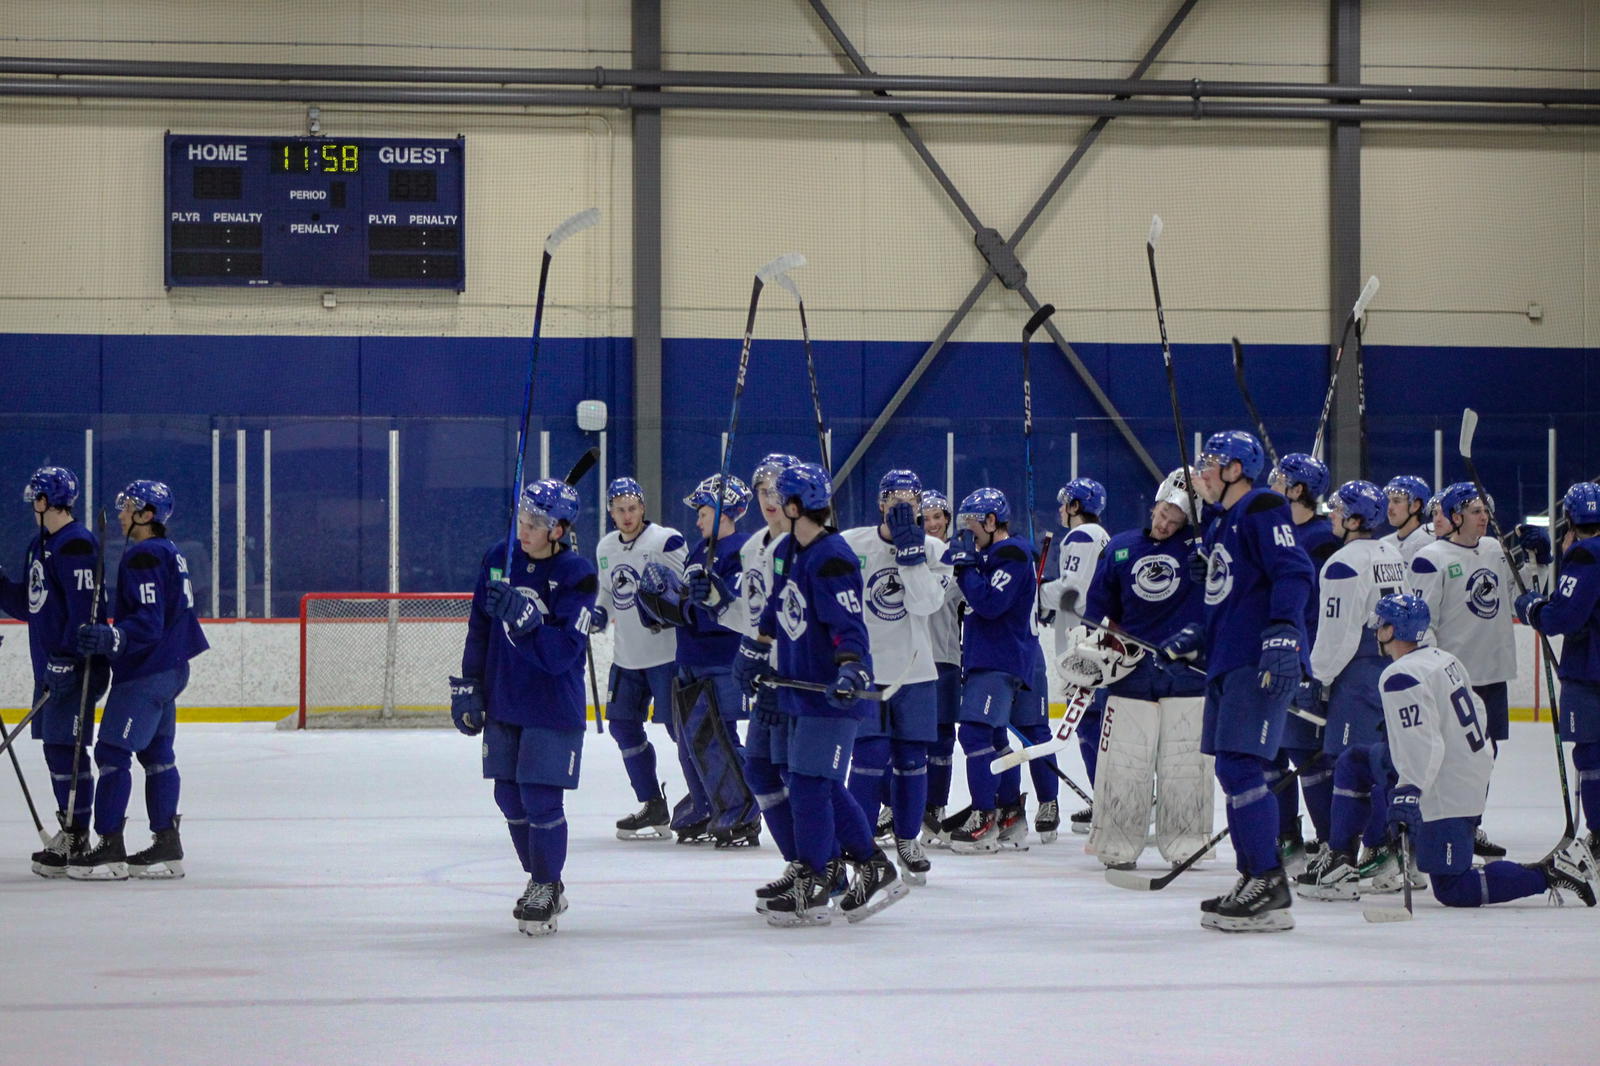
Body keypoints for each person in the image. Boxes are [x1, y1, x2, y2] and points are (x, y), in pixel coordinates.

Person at [1297, 594, 1597, 907]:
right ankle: (1341, 865)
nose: (1377, 631)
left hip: (1445, 789)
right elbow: (1477, 715)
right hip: (1462, 773)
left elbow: (1423, 742)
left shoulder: (1399, 677)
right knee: (1355, 762)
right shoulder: (1444, 659)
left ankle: (1551, 873)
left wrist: (1408, 790)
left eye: (1382, 625)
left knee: (1454, 888)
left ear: (1393, 631)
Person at [733, 461, 907, 926]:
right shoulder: (789, 549)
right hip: (796, 689)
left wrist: (852, 671)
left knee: (810, 785)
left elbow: (849, 627)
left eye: (780, 500)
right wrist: (756, 649)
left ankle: (818, 875)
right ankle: (867, 866)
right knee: (810, 780)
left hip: (831, 695)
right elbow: (776, 607)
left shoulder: (832, 557)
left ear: (794, 506)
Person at [1162, 430, 1313, 932]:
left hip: (1258, 658)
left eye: (1211, 463)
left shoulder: (1262, 505)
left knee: (1243, 766)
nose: (1201, 472)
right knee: (1231, 769)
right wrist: (1196, 634)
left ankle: (1268, 881)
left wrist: (1285, 631)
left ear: (1235, 469)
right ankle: (1254, 876)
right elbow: (1229, 597)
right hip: (1229, 660)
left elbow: (1293, 572)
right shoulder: (1223, 524)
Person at [451, 478, 596, 934]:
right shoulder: (500, 558)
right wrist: (470, 683)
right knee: (508, 795)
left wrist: (527, 619)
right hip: (504, 697)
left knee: (540, 797)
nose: (525, 529)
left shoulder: (579, 575)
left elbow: (560, 657)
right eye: (523, 518)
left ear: (559, 529)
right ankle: (542, 878)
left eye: (536, 523)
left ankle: (546, 884)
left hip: (553, 705)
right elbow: (479, 627)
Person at [69, 480, 209, 881]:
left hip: (146, 671)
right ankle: (166, 844)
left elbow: (147, 621)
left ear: (147, 515)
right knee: (158, 755)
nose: (121, 513)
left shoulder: (143, 555)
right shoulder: (170, 551)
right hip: (172, 667)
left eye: (129, 506)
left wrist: (114, 636)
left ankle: (110, 848)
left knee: (112, 754)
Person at [1077, 467, 1210, 870]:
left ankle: (1187, 841)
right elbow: (1098, 610)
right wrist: (1096, 643)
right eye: (1163, 513)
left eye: (1177, 518)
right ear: (1154, 505)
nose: (1166, 523)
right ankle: (1117, 840)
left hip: (1187, 673)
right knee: (1124, 762)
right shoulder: (1120, 547)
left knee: (1186, 763)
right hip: (1130, 672)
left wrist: (1214, 570)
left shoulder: (1201, 548)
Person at [1410, 481, 1547, 858]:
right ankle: (1430, 827)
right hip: (1455, 682)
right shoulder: (1431, 558)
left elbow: (1522, 599)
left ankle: (1471, 825)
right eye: (1475, 511)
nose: (1484, 517)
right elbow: (1423, 624)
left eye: (1485, 510)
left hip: (1492, 676)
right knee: (1446, 759)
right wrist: (1434, 674)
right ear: (1455, 517)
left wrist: (1539, 562)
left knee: (1483, 759)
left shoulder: (1494, 550)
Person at [842, 469, 949, 885]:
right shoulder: (852, 544)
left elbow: (927, 604)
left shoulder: (934, 548)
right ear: (881, 503)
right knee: (867, 761)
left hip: (915, 672)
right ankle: (860, 843)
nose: (903, 508)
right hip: (867, 673)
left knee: (910, 761)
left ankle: (907, 839)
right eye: (895, 500)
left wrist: (911, 556)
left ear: (921, 506)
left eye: (911, 501)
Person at [0, 467, 107, 877]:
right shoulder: (39, 545)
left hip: (75, 668)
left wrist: (68, 656)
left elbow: (87, 610)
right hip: (48, 667)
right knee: (55, 749)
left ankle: (77, 836)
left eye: (35, 499)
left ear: (46, 501)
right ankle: (70, 829)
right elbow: (30, 604)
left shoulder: (77, 545)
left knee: (70, 749)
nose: (32, 507)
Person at [643, 474, 758, 847]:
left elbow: (734, 613)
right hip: (690, 658)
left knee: (720, 739)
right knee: (691, 740)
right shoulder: (700, 549)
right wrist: (664, 608)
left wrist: (689, 613)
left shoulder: (740, 551)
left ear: (725, 513)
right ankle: (708, 804)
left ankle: (743, 812)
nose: (697, 519)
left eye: (704, 511)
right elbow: (690, 602)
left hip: (720, 662)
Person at [1303, 481, 1407, 843]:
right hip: (1391, 666)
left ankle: (1357, 852)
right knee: (1384, 764)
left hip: (1357, 674)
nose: (1332, 515)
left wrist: (1317, 677)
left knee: (1351, 766)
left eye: (1339, 510)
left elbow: (1339, 634)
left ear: (1354, 519)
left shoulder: (1342, 564)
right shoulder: (1390, 553)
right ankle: (1390, 850)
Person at [586, 477, 687, 840]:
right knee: (623, 728)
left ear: (643, 508)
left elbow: (687, 590)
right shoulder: (606, 547)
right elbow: (607, 590)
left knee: (682, 732)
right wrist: (598, 613)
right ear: (611, 513)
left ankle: (711, 802)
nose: (627, 516)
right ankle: (652, 804)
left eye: (632, 508)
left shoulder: (666, 540)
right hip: (626, 659)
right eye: (619, 510)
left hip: (666, 657)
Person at [942, 487, 1038, 854]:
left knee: (975, 735)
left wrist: (965, 567)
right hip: (992, 658)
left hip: (1000, 659)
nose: (968, 533)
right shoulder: (998, 555)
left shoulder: (1010, 553)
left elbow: (989, 603)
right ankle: (1010, 813)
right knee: (995, 738)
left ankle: (985, 817)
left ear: (992, 521)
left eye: (972, 525)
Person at [734, 453, 806, 913]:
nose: (769, 500)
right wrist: (717, 601)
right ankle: (799, 862)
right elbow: (750, 617)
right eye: (762, 491)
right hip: (766, 677)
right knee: (758, 768)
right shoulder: (751, 548)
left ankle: (825, 864)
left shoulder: (809, 546)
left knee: (800, 777)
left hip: (799, 679)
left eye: (777, 491)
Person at [1515, 481, 1600, 860]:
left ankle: (1597, 839)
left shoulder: (1586, 556)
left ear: (1570, 518)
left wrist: (1532, 607)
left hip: (1591, 673)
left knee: (1592, 758)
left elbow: (1563, 616)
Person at [1266, 452, 1340, 873]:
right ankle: (1286, 838)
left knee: (1305, 752)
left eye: (1279, 480)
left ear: (1297, 490)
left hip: (1304, 660)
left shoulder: (1321, 539)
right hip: (1271, 657)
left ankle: (1333, 844)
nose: (1271, 485)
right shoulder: (1276, 533)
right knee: (1270, 752)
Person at [1039, 478, 1110, 837]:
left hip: (1085, 639)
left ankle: (1109, 802)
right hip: (1095, 634)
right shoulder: (1101, 536)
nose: (1061, 510)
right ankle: (1111, 799)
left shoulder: (1082, 536)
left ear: (1076, 506)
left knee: (1088, 724)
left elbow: (1072, 589)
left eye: (1065, 503)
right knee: (1095, 724)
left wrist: (1037, 594)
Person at [917, 489, 965, 848]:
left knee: (941, 740)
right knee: (903, 739)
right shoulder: (909, 556)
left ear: (947, 519)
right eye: (926, 518)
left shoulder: (959, 558)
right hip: (911, 659)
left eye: (938, 517)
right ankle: (897, 805)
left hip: (946, 656)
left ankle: (935, 806)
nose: (933, 523)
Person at [1379, 475, 1433, 564]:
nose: (1389, 507)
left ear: (1415, 506)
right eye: (1388, 501)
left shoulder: (1430, 537)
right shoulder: (1384, 544)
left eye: (1397, 501)